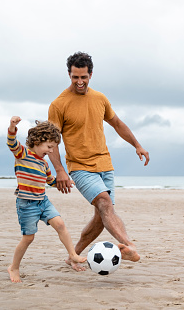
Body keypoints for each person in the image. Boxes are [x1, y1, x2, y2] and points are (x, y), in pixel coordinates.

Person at [48, 51, 149, 270]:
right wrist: (60, 170)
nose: (80, 82)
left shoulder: (100, 98)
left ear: (91, 74)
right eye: (75, 77)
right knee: (104, 202)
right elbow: (52, 142)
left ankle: (72, 256)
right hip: (80, 166)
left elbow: (118, 124)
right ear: (69, 75)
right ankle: (129, 246)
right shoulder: (59, 104)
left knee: (101, 217)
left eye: (83, 77)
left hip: (105, 165)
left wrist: (137, 145)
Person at [6, 116, 87, 283]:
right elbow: (12, 142)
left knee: (60, 224)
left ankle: (72, 254)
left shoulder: (44, 164)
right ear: (37, 141)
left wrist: (63, 182)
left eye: (54, 148)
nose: (51, 151)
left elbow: (50, 181)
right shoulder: (23, 154)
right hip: (27, 204)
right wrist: (12, 127)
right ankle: (13, 267)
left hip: (43, 201)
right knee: (28, 238)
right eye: (49, 147)